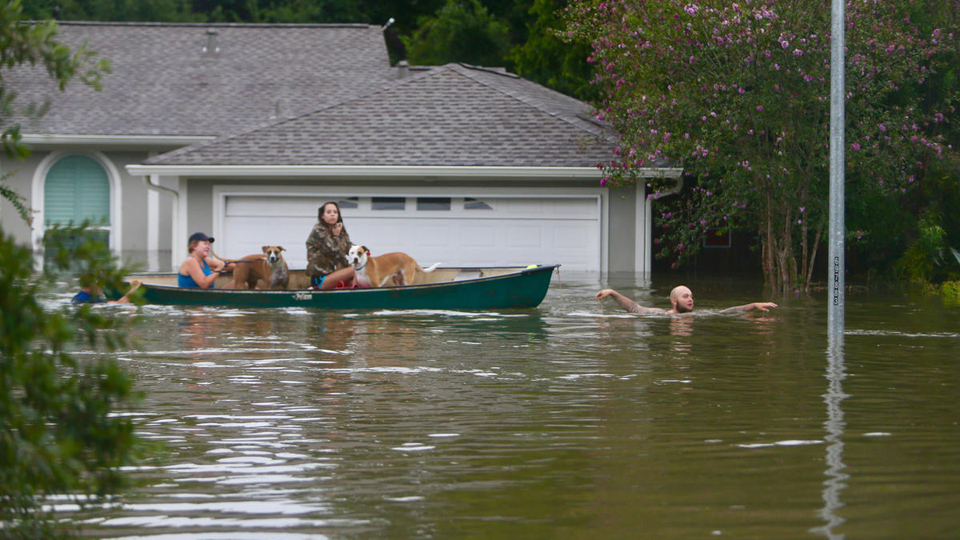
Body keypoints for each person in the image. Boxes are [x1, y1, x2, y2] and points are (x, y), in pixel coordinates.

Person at [595, 286, 778, 315]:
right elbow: (635, 307)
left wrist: (754, 305)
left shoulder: (697, 315)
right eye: (685, 297)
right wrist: (612, 292)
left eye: (691, 296)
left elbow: (728, 311)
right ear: (674, 302)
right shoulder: (662, 315)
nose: (691, 300)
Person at [306, 201, 357, 290]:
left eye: (335, 212)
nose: (332, 215)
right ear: (322, 215)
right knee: (354, 269)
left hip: (337, 273)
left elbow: (348, 247)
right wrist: (336, 236)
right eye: (328, 212)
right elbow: (332, 250)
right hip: (322, 278)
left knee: (360, 269)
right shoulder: (318, 231)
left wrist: (362, 251)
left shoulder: (339, 229)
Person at [72, 279, 142, 304]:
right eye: (97, 286)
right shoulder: (92, 300)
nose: (102, 287)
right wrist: (134, 288)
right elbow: (120, 303)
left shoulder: (77, 296)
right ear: (88, 288)